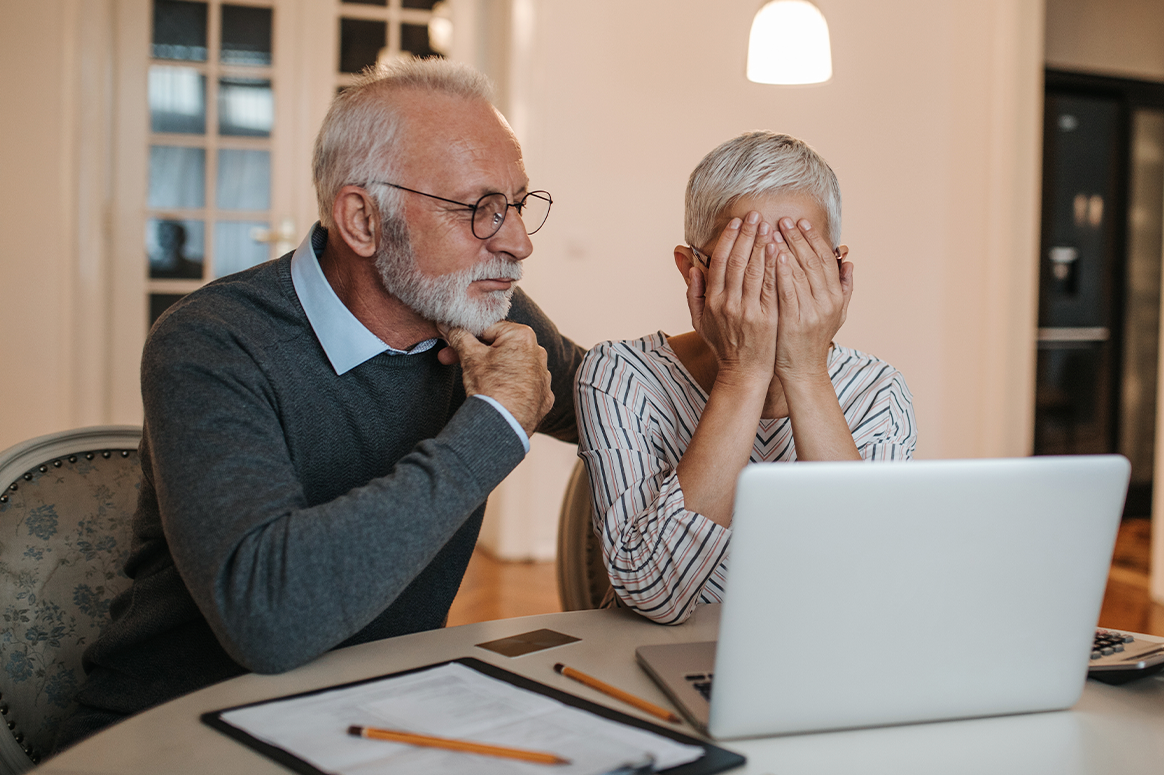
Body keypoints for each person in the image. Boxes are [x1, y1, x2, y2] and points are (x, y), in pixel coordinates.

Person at [55, 58, 582, 749]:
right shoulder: (212, 342)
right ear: (362, 219)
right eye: (480, 209)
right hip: (171, 737)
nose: (518, 241)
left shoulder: (477, 310)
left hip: (368, 722)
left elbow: (617, 396)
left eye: (517, 203)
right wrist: (495, 424)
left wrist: (745, 330)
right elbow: (269, 618)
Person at [575, 132, 917, 625]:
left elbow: (868, 586)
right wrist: (743, 372)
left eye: (800, 263)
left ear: (838, 274)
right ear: (692, 269)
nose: (773, 287)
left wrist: (805, 371)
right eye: (745, 264)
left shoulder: (878, 392)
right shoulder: (620, 376)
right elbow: (653, 593)